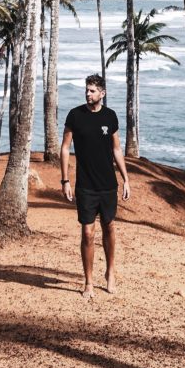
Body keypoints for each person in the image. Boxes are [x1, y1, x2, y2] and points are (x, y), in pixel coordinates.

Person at [60, 73, 130, 300]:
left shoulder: (110, 117)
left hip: (108, 184)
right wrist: (65, 180)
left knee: (109, 227)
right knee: (88, 233)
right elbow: (64, 148)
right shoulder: (75, 115)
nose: (88, 94)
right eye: (87, 90)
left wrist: (126, 179)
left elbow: (117, 149)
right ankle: (88, 282)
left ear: (102, 93)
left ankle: (110, 271)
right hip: (85, 186)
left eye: (92, 90)